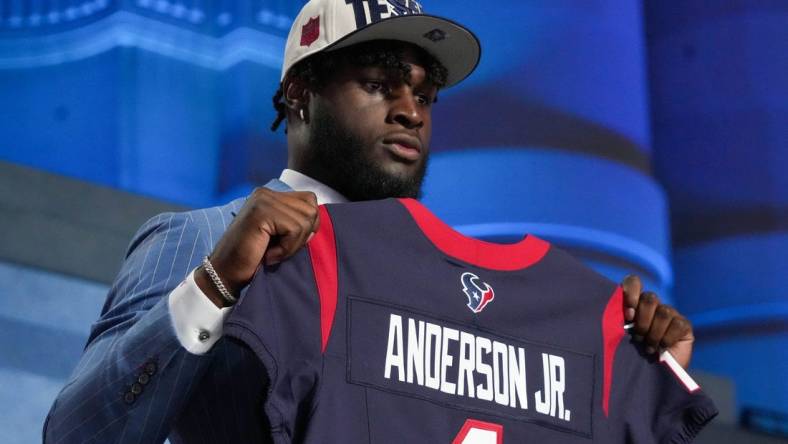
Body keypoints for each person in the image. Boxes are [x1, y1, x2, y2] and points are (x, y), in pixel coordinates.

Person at [44, 0, 695, 442]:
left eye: (425, 93)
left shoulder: (462, 289)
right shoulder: (198, 238)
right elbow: (76, 432)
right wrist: (215, 281)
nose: (411, 110)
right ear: (299, 94)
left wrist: (646, 370)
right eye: (381, 85)